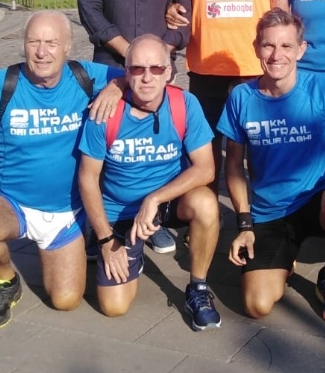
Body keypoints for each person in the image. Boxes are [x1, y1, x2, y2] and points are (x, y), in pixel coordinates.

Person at [217, 9, 325, 323]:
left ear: (300, 50)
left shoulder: (321, 88)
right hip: (269, 212)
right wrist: (244, 224)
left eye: (286, 46)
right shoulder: (241, 97)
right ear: (256, 48)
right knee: (257, 306)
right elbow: (232, 166)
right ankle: (284, 260)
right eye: (268, 45)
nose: (277, 55)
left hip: (316, 202)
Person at [0, 11, 122, 329]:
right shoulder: (4, 84)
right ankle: (6, 280)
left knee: (66, 300)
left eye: (51, 43)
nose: (42, 52)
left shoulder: (85, 76)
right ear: (24, 45)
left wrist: (117, 86)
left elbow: (141, 75)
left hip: (66, 213)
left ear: (67, 47)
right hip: (11, 202)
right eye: (33, 42)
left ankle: (68, 247)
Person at [77, 0, 192, 255]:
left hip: (155, 75)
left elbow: (185, 24)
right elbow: (90, 13)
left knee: (152, 148)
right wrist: (132, 56)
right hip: (110, 70)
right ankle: (102, 224)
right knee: (107, 148)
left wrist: (154, 58)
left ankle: (152, 220)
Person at [78, 34, 222, 331]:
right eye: (137, 69)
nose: (147, 77)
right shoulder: (104, 111)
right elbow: (87, 178)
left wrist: (154, 199)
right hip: (120, 209)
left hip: (168, 202)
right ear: (125, 73)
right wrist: (105, 240)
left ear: (169, 72)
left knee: (206, 203)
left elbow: (206, 169)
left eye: (156, 68)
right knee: (114, 307)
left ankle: (198, 288)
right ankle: (134, 253)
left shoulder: (185, 104)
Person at [168, 0, 288, 190]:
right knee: (206, 151)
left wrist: (284, 50)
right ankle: (206, 209)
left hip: (253, 67)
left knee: (258, 147)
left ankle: (263, 211)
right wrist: (170, 8)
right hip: (205, 66)